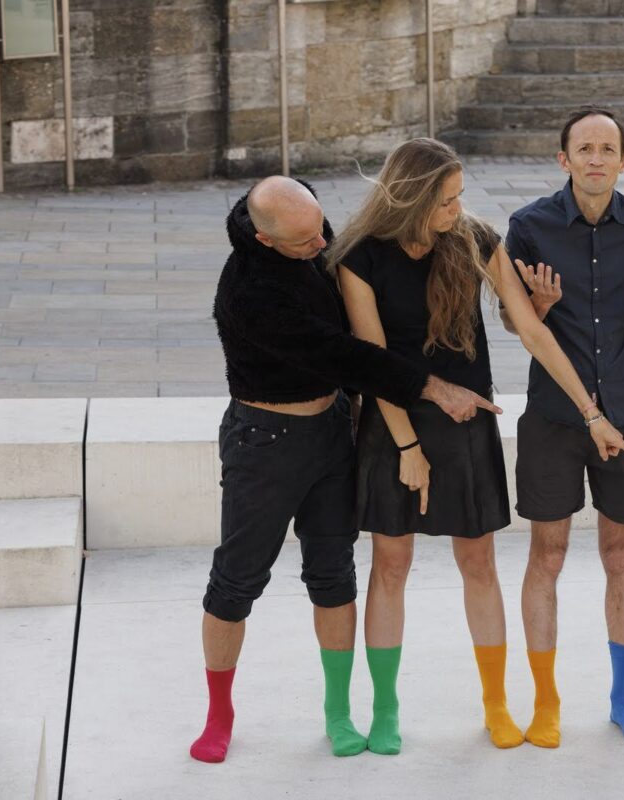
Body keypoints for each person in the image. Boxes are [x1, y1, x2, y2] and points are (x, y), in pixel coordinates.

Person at [330, 138, 624, 753]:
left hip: (467, 421)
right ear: (413, 199)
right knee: (390, 566)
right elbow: (371, 362)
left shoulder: (472, 238)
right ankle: (385, 710)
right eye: (447, 200)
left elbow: (531, 329)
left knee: (479, 565)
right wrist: (408, 448)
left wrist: (591, 414)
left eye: (460, 196)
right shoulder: (358, 256)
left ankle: (496, 704)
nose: (458, 209)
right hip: (394, 423)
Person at [192, 176, 501, 763]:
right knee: (236, 580)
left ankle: (338, 712)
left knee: (333, 577)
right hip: (265, 441)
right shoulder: (250, 293)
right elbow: (347, 355)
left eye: (321, 230)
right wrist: (435, 389)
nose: (322, 246)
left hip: (333, 434)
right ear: (265, 238)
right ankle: (219, 712)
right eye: (307, 242)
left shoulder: (306, 229)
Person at [500, 106, 624, 746]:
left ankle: (623, 699)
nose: (596, 158)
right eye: (585, 148)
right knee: (546, 554)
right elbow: (514, 321)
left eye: (608, 149)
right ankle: (545, 702)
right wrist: (539, 304)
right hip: (553, 416)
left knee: (619, 554)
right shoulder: (528, 227)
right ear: (565, 159)